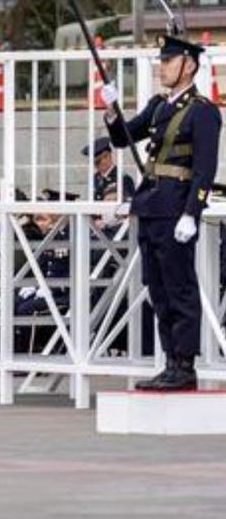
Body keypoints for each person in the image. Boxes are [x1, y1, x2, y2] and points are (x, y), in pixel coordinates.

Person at [103, 33, 220, 391]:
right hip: (151, 205)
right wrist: (112, 112)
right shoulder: (158, 105)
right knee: (157, 287)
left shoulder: (202, 111)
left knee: (179, 286)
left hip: (175, 209)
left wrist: (192, 212)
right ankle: (170, 360)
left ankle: (185, 363)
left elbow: (204, 168)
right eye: (161, 62)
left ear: (189, 66)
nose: (161, 68)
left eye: (168, 62)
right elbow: (124, 137)